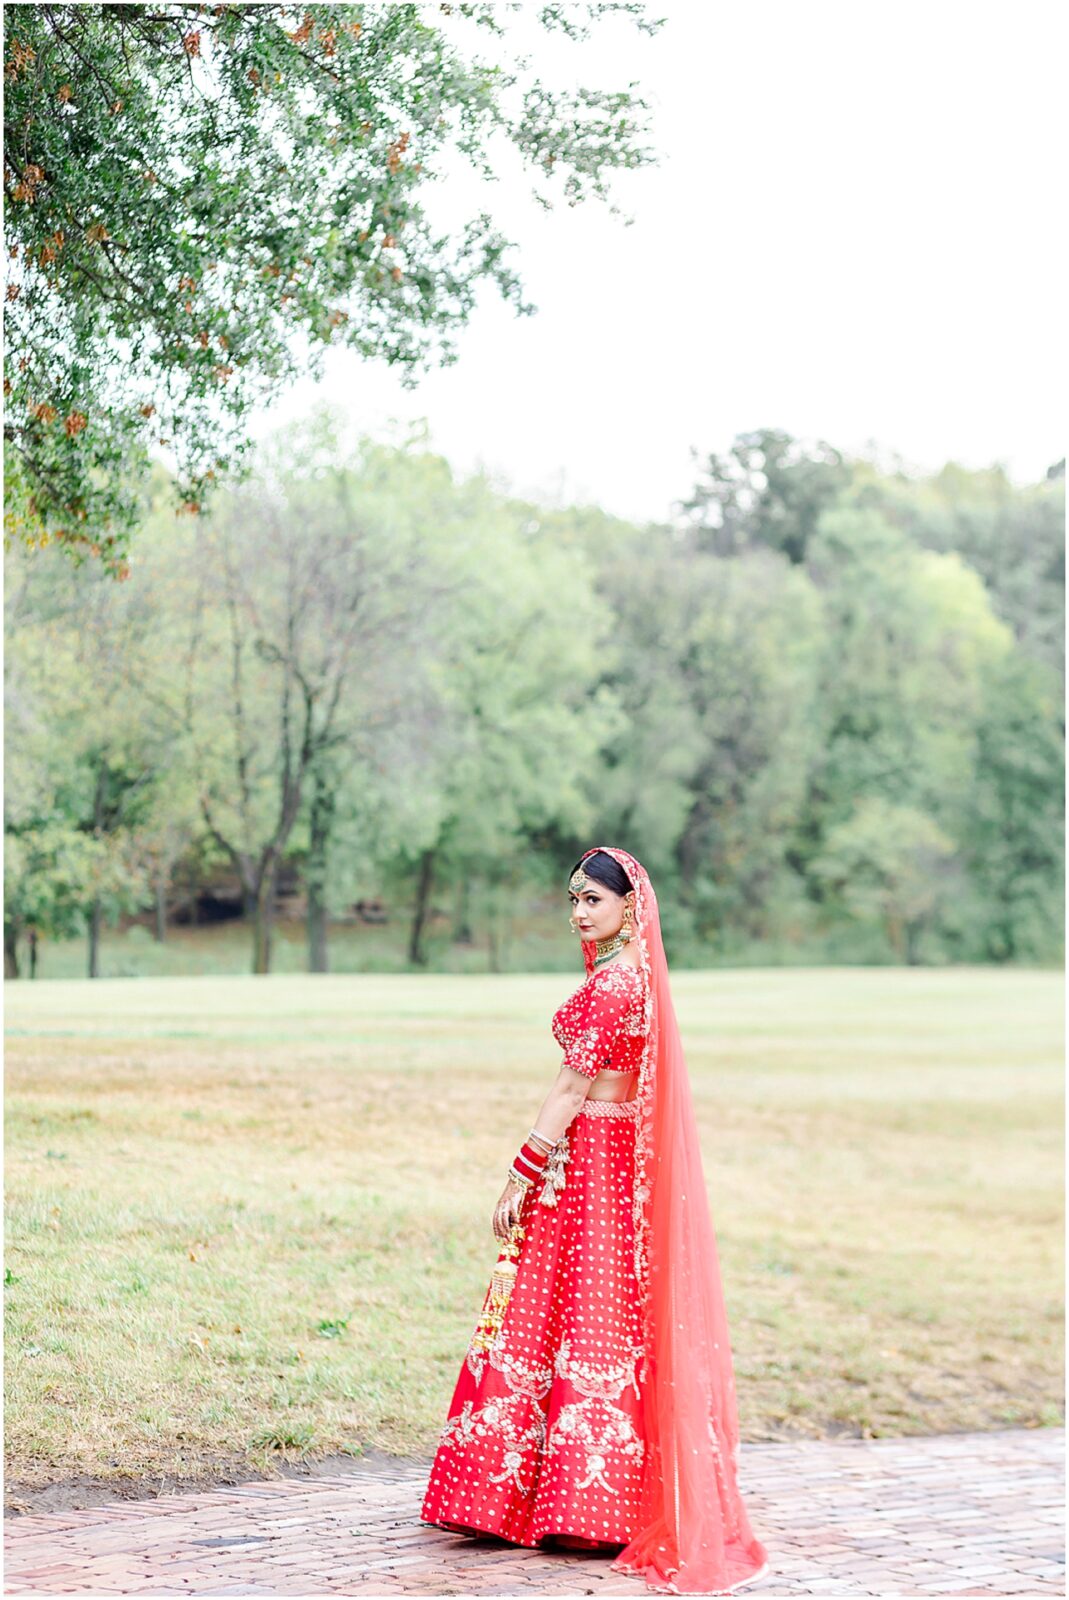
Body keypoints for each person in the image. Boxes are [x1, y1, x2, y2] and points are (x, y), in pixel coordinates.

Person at [420, 846, 770, 1595]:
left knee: (568, 1306)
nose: (579, 912)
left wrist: (523, 1168)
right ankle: (586, 1496)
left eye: (592, 901)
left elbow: (570, 1086)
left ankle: (556, 1499)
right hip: (615, 1162)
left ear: (627, 905)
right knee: (597, 1310)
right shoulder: (639, 978)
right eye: (573, 899)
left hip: (589, 1164)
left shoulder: (614, 984)